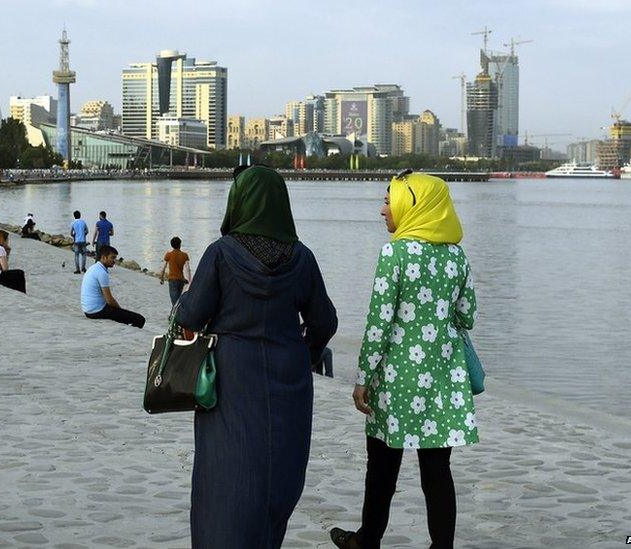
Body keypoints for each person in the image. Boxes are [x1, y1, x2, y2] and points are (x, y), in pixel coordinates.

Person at [174, 165, 338, 548]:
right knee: (278, 475)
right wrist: (307, 355)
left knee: (226, 474)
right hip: (288, 380)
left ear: (239, 201)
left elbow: (191, 315)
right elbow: (324, 322)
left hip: (231, 379)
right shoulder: (302, 257)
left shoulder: (221, 254)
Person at [329, 171, 478, 549]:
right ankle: (442, 546)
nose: (383, 210)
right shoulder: (456, 255)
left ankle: (368, 541)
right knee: (437, 470)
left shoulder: (395, 252)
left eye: (387, 200)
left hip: (396, 376)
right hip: (443, 375)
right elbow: (468, 316)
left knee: (381, 467)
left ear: (411, 204)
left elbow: (379, 321)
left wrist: (362, 378)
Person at [81, 245, 145, 328]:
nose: (114, 261)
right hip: (96, 311)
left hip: (88, 309)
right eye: (112, 258)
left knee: (124, 316)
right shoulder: (101, 272)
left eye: (115, 258)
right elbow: (110, 300)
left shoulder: (93, 268)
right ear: (104, 257)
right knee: (140, 319)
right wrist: (120, 310)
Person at [160, 236, 192, 306]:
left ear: (172, 245)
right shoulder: (184, 255)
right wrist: (189, 281)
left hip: (172, 280)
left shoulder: (168, 255)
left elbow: (164, 267)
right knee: (180, 301)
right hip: (181, 280)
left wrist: (161, 278)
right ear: (180, 245)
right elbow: (188, 269)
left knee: (174, 302)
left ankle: (175, 315)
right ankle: (180, 314)